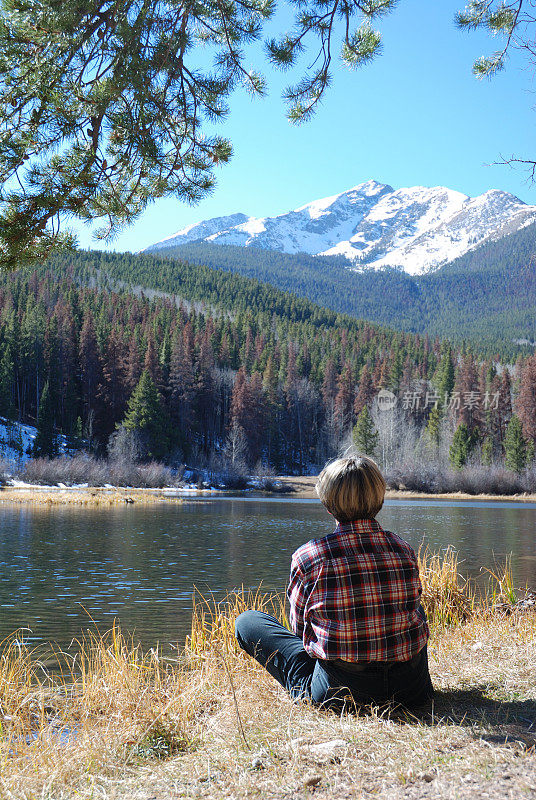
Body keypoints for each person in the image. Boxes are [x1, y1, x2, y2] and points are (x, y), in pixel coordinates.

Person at [235, 455, 434, 711]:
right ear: (380, 500)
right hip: (412, 690)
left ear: (327, 505)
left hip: (342, 694)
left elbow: (300, 633)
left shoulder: (308, 558)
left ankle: (318, 688)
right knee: (414, 608)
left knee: (247, 621)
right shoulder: (403, 550)